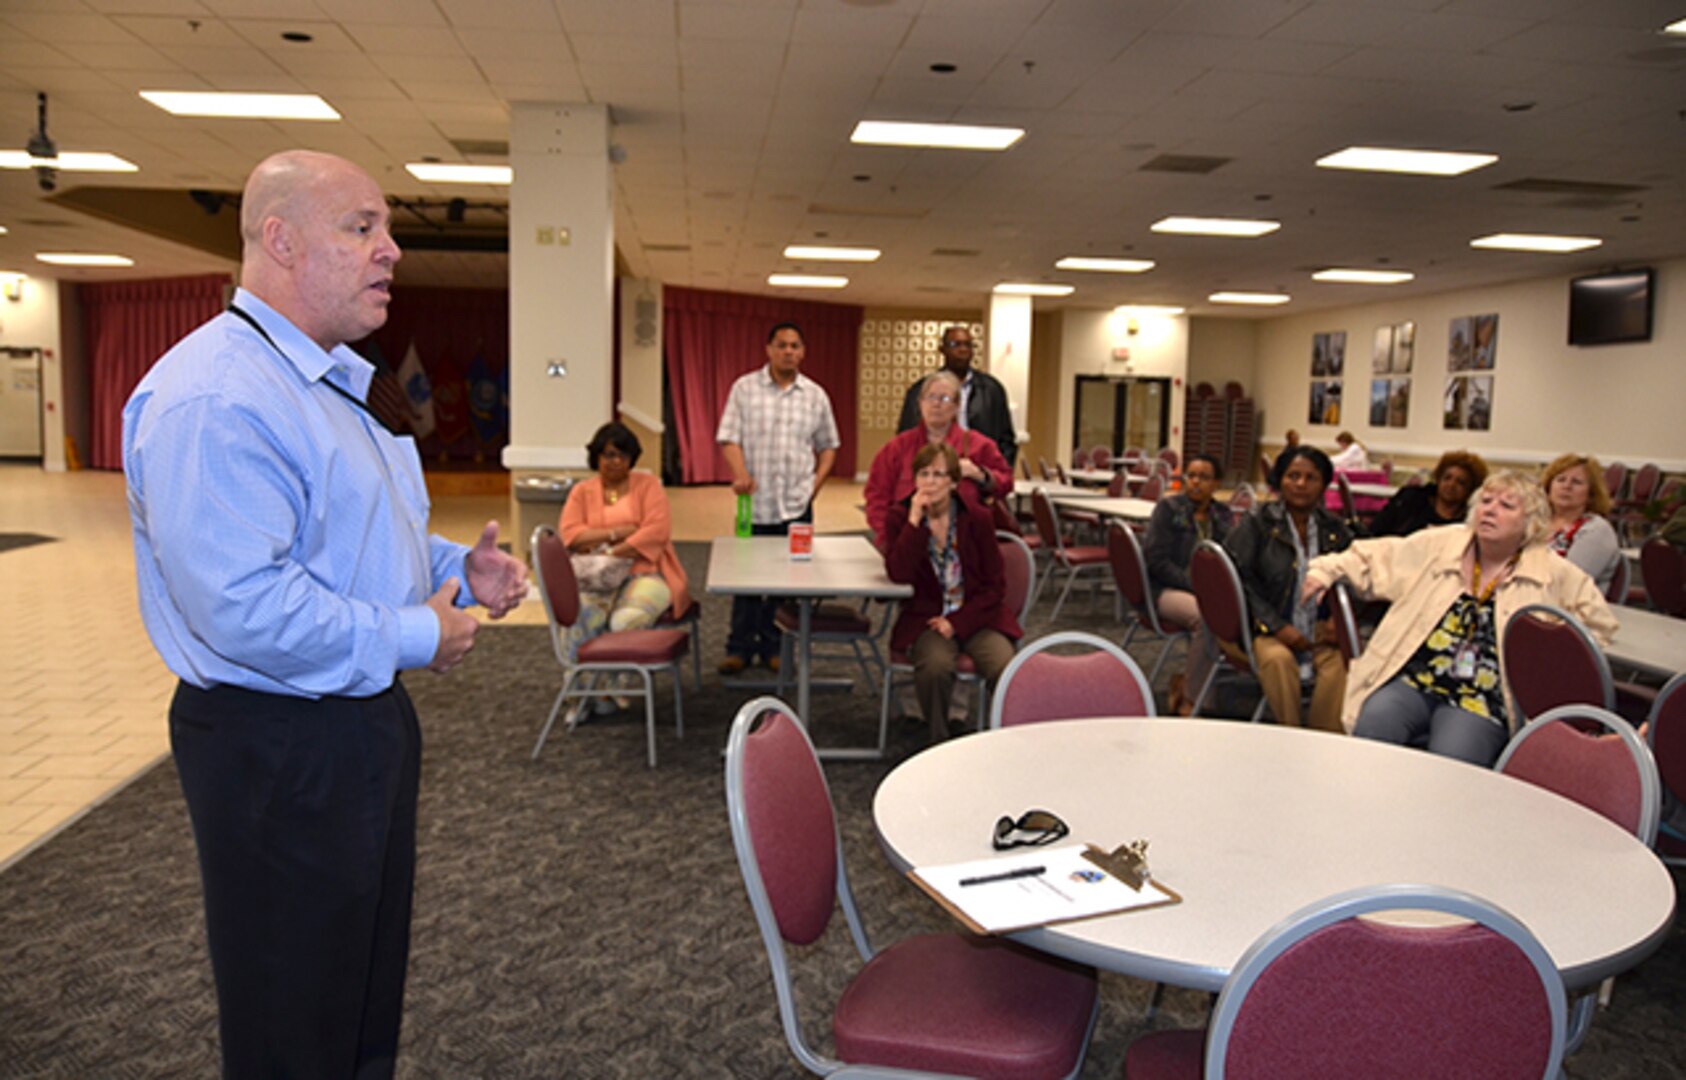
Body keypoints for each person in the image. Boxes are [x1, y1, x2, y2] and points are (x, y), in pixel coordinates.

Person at [122, 150, 528, 1078]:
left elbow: (360, 545)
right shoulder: (220, 396)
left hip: (353, 725)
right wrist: (421, 633)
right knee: (291, 1021)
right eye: (363, 229)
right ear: (281, 240)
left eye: (385, 230)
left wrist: (456, 570)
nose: (390, 251)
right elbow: (245, 610)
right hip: (278, 745)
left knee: (356, 1000)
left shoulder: (332, 381)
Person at [1304, 470, 1617, 766]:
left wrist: (1548, 664)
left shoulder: (1549, 571)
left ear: (1531, 524)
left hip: (1483, 696)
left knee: (1453, 758)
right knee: (1374, 723)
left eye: (1506, 505)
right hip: (1415, 678)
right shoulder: (1443, 544)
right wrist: (1325, 570)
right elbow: (1375, 557)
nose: (1490, 510)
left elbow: (1597, 624)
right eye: (1485, 501)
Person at [716, 321, 841, 674]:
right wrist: (740, 472)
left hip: (796, 507)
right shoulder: (744, 388)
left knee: (789, 580)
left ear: (803, 352)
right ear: (768, 349)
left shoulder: (815, 395)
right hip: (753, 504)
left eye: (795, 346)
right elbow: (729, 437)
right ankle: (738, 647)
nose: (789, 351)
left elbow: (830, 446)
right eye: (782, 345)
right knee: (745, 577)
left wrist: (814, 486)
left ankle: (775, 646)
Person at [881, 442, 1021, 742]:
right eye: (923, 473)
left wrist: (957, 622)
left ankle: (1009, 741)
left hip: (977, 615)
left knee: (1006, 668)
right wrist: (915, 523)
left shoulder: (978, 518)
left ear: (954, 482)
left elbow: (995, 586)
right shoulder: (901, 517)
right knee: (935, 667)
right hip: (927, 618)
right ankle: (939, 741)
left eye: (939, 474)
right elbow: (898, 574)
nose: (930, 482)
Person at [558, 422, 692, 714]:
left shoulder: (648, 486)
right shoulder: (582, 492)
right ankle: (578, 694)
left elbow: (655, 531)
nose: (615, 461)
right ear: (596, 458)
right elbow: (570, 535)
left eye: (622, 455)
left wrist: (611, 551)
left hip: (646, 571)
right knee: (582, 617)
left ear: (632, 458)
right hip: (595, 577)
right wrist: (619, 532)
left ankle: (612, 686)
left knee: (623, 622)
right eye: (608, 455)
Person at [1220, 446, 1354, 731]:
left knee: (1342, 667)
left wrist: (1337, 621)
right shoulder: (1257, 524)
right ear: (1280, 480)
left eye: (1311, 477)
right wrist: (1277, 626)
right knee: (1279, 661)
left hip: (1319, 632)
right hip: (1267, 629)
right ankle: (1290, 736)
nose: (1301, 484)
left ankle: (1325, 743)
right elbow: (1238, 581)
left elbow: (1355, 578)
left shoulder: (1336, 529)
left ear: (1323, 484)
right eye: (1293, 476)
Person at [865, 369, 1012, 547]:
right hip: (908, 543)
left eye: (944, 399)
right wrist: (891, 536)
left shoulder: (979, 445)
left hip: (966, 545)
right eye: (931, 397)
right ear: (920, 404)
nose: (936, 405)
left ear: (957, 406)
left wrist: (980, 474)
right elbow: (876, 498)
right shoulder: (897, 448)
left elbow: (1006, 483)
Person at [1141, 452, 1234, 714]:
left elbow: (1230, 557)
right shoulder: (1169, 510)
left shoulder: (1222, 515)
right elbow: (1157, 561)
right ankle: (1194, 701)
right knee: (1205, 618)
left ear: (1216, 483)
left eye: (1204, 478)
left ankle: (1188, 683)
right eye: (1191, 476)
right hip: (1166, 590)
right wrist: (1195, 586)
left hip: (1210, 592)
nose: (1195, 482)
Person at [896, 325, 1017, 466]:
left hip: (980, 471)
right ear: (942, 349)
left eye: (968, 345)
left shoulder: (992, 390)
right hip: (933, 470)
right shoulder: (921, 389)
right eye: (955, 344)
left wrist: (996, 475)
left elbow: (1006, 440)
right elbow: (906, 435)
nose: (963, 350)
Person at [1541, 453, 1622, 593]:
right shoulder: (1536, 521)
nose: (1567, 486)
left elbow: (1567, 583)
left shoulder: (1597, 530)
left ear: (1591, 494)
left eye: (1576, 482)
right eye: (1560, 479)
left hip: (1567, 607)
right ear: (1549, 487)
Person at [1366, 450, 1489, 538]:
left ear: (1471, 490)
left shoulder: (1470, 519)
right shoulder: (1410, 500)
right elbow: (1376, 531)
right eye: (1447, 478)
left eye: (1460, 482)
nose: (1451, 485)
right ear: (1438, 478)